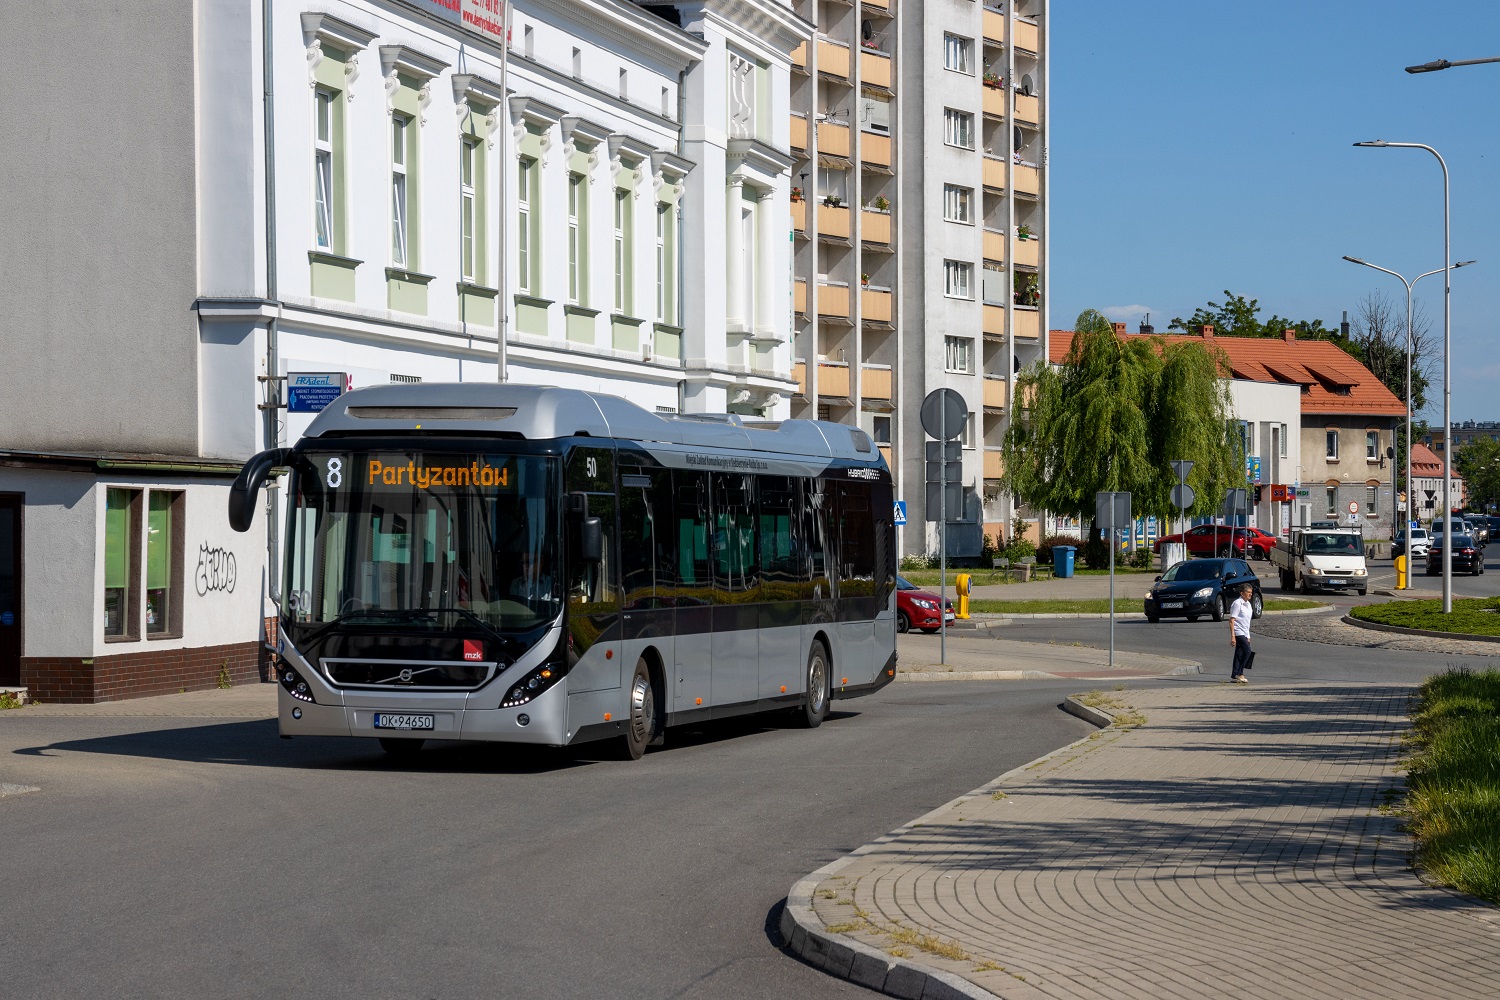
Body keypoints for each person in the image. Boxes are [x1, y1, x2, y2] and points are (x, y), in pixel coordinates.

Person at [1228, 583, 1254, 684]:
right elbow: (1231, 620)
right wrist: (1233, 636)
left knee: (1239, 653)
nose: (1250, 594)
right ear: (1242, 593)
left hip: (1244, 632)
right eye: (1248, 592)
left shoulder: (1248, 604)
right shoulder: (1237, 603)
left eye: (1251, 592)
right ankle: (1240, 673)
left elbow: (1247, 621)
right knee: (1247, 651)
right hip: (1238, 632)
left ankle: (1235, 674)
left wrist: (1248, 635)